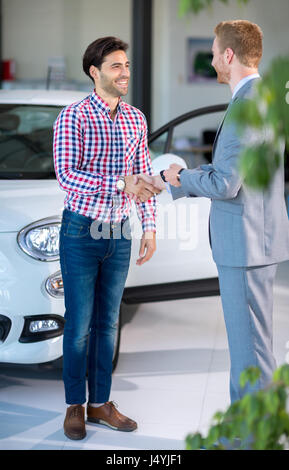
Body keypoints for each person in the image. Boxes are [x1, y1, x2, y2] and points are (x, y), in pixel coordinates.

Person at [139, 20, 289, 404]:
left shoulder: (247, 105)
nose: (210, 60)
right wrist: (178, 176)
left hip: (246, 243)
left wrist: (180, 180)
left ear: (228, 55)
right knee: (251, 349)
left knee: (250, 353)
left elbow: (226, 184)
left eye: (212, 52)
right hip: (255, 239)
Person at [53, 36, 160, 440]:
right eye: (116, 66)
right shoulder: (73, 117)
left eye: (127, 65)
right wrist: (121, 183)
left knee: (108, 324)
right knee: (79, 324)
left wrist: (149, 226)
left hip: (120, 232)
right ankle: (74, 407)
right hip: (81, 231)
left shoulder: (135, 118)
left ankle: (100, 403)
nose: (125, 73)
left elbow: (144, 176)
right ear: (95, 72)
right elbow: (68, 175)